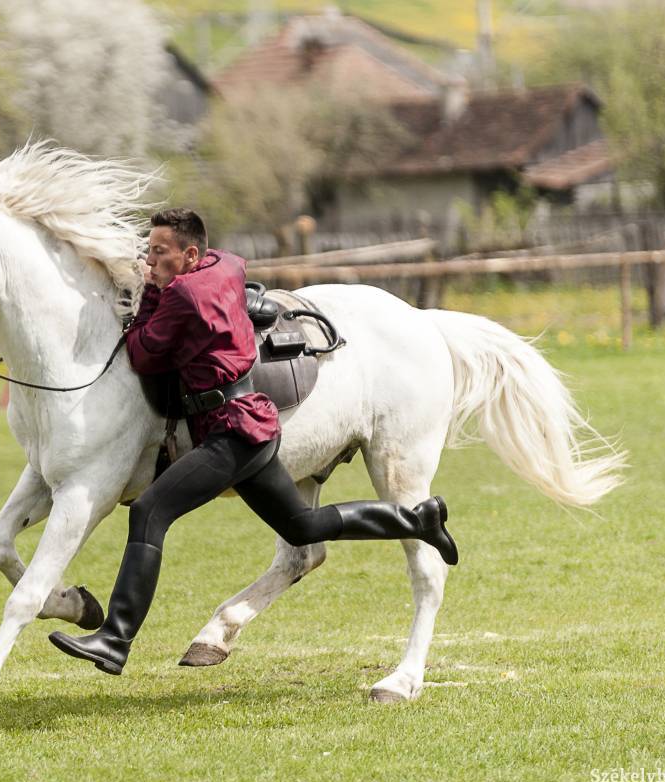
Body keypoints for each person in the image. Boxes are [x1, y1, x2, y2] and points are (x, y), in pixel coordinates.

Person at [49, 208, 458, 675]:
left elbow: (143, 353)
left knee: (149, 511)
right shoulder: (223, 267)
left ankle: (114, 640)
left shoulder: (182, 293)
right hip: (254, 424)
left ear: (188, 255)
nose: (150, 259)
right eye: (149, 250)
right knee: (303, 527)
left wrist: (148, 298)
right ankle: (418, 517)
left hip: (230, 431)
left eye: (159, 252)